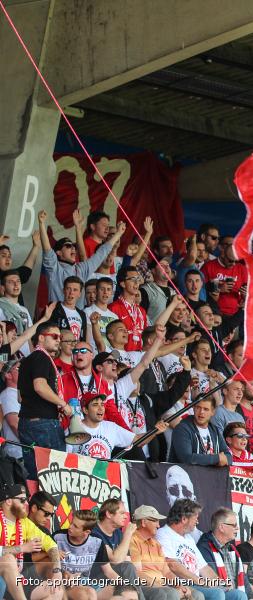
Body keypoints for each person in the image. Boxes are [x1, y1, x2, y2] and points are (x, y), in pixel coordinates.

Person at [19, 321, 73, 479]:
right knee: (55, 475)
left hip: (27, 423)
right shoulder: (42, 357)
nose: (58, 340)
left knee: (34, 475)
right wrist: (62, 404)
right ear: (41, 338)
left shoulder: (27, 360)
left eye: (60, 337)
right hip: (44, 424)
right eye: (54, 336)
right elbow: (40, 386)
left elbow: (20, 397)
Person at [40, 208, 126, 305]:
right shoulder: (54, 269)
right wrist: (41, 224)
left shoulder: (81, 269)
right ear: (58, 253)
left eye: (73, 246)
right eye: (68, 246)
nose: (73, 248)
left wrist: (119, 233)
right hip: (58, 313)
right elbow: (47, 250)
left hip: (80, 314)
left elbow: (102, 253)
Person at [156, 498, 234, 600]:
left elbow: (204, 568)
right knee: (216, 594)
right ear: (184, 519)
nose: (197, 522)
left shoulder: (189, 538)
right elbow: (172, 565)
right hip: (180, 584)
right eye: (195, 518)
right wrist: (201, 581)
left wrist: (220, 583)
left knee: (237, 594)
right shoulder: (163, 534)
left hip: (197, 583)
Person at [0, 483, 63, 600]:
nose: (26, 504)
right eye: (22, 500)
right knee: (8, 559)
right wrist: (22, 548)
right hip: (3, 577)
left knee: (56, 589)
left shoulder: (24, 522)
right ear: (8, 501)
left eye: (26, 500)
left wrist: (57, 571)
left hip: (18, 578)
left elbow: (51, 545)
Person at [128, 505, 200, 600]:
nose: (158, 525)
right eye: (155, 521)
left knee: (197, 595)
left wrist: (179, 585)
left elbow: (166, 572)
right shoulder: (132, 540)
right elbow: (137, 573)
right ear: (143, 522)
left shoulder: (156, 544)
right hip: (144, 587)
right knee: (172, 594)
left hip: (162, 586)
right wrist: (164, 587)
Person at [52, 508, 119, 600]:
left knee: (122, 592)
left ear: (86, 532)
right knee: (88, 593)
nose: (70, 527)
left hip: (87, 583)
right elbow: (44, 564)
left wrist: (126, 585)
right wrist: (63, 572)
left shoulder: (97, 541)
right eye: (71, 523)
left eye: (75, 526)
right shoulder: (57, 537)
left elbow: (108, 571)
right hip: (65, 585)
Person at [197, 508, 248, 600]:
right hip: (218, 593)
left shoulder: (231, 548)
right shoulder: (204, 547)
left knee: (241, 595)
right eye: (234, 525)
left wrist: (251, 596)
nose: (237, 528)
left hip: (233, 594)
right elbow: (210, 579)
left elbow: (244, 580)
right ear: (221, 527)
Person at [169, 396, 232, 467]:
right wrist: (216, 459)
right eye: (198, 407)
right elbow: (186, 458)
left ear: (213, 412)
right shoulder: (182, 428)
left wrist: (223, 459)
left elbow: (229, 457)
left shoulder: (215, 430)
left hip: (209, 473)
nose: (201, 412)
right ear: (193, 408)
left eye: (206, 409)